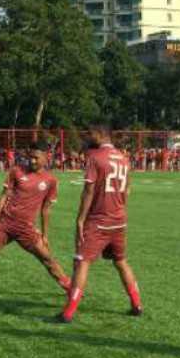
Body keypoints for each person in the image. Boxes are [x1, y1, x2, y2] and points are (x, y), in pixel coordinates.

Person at [0, 141, 70, 304]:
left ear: (46, 157)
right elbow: (3, 197)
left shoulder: (51, 180)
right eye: (30, 157)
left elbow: (46, 210)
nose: (32, 161)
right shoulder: (16, 171)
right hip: (5, 225)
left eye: (36, 158)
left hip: (26, 229)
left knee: (47, 259)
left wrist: (45, 235)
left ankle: (70, 289)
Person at [58, 125, 142, 322]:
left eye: (91, 133)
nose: (88, 136)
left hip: (98, 221)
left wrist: (80, 219)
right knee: (121, 262)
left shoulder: (95, 157)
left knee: (82, 261)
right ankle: (137, 304)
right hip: (119, 220)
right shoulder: (123, 157)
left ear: (102, 135)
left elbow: (88, 191)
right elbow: (128, 189)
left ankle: (68, 313)